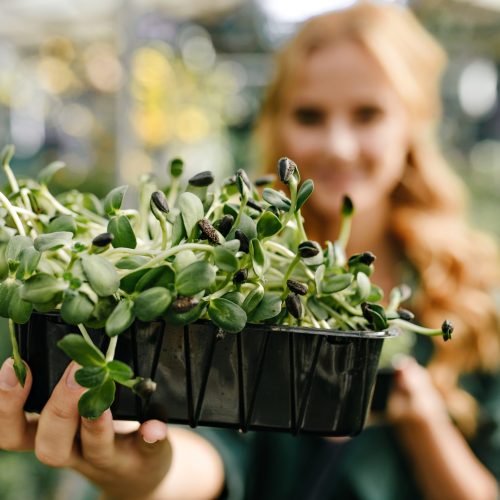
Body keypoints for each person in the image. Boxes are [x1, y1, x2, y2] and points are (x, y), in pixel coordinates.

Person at [1, 2, 500, 499]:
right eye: (310, 115)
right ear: (276, 122)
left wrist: (426, 427)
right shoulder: (228, 272)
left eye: (368, 114)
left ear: (413, 123)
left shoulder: (481, 293)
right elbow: (209, 452)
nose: (339, 145)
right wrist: (145, 471)